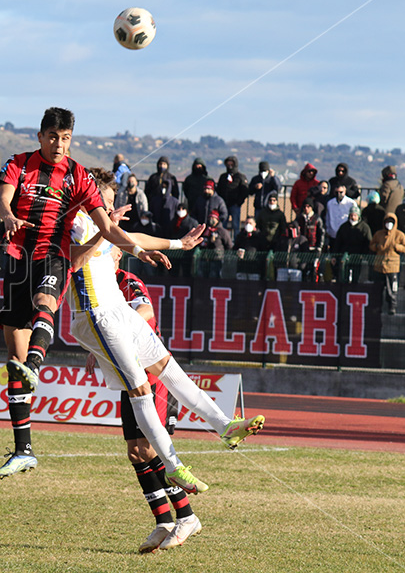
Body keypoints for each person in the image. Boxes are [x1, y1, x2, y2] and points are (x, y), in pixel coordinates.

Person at [0, 107, 189, 480]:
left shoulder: (78, 175)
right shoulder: (17, 163)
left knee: (45, 303)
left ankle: (36, 364)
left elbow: (108, 227)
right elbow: (3, 197)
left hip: (54, 254)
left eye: (65, 138)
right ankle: (23, 449)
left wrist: (138, 251)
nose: (58, 144)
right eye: (52, 136)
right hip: (17, 258)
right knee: (12, 359)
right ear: (40, 136)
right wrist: (8, 216)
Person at [68, 170, 265, 502]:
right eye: (105, 202)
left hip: (118, 311)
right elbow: (73, 261)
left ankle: (225, 427)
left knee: (169, 368)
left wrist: (179, 244)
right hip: (95, 314)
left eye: (112, 204)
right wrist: (107, 230)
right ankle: (173, 465)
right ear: (89, 198)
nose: (109, 209)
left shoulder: (103, 227)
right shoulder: (73, 222)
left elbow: (135, 237)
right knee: (140, 388)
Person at [103, 260, 200, 552]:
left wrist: (117, 332)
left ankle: (187, 516)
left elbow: (147, 311)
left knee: (148, 450)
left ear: (116, 257)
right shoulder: (94, 287)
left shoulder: (126, 281)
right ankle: (163, 522)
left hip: (151, 378)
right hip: (128, 378)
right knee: (135, 453)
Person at [370, 212, 405, 315]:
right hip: (379, 265)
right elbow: (372, 244)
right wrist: (377, 247)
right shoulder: (379, 234)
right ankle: (377, 307)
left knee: (392, 289)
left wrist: (397, 247)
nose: (389, 224)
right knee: (378, 288)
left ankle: (392, 307)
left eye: (391, 222)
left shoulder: (399, 234)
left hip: (392, 266)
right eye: (387, 222)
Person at [333, 206, 373, 283]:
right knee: (343, 273)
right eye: (351, 215)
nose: (353, 217)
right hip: (345, 254)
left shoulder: (364, 227)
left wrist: (364, 254)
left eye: (355, 215)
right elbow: (338, 242)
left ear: (358, 216)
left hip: (358, 255)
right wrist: (335, 255)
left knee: (356, 275)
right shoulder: (344, 227)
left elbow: (368, 242)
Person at [291, 198, 326, 281]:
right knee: (303, 267)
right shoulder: (300, 218)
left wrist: (319, 247)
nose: (306, 208)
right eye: (305, 207)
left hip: (313, 247)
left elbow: (321, 233)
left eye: (308, 206)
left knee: (314, 269)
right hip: (302, 249)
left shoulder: (317, 219)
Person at [216, 155, 249, 236]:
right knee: (223, 225)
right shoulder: (223, 177)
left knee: (235, 225)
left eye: (231, 164)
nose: (230, 166)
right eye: (228, 164)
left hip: (235, 205)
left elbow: (244, 191)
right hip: (224, 205)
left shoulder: (240, 177)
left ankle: (236, 242)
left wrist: (239, 202)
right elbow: (219, 189)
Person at [198, 209, 232, 278]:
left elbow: (229, 245)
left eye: (213, 218)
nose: (211, 220)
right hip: (204, 258)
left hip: (216, 259)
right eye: (210, 218)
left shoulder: (222, 231)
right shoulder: (205, 230)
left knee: (214, 275)